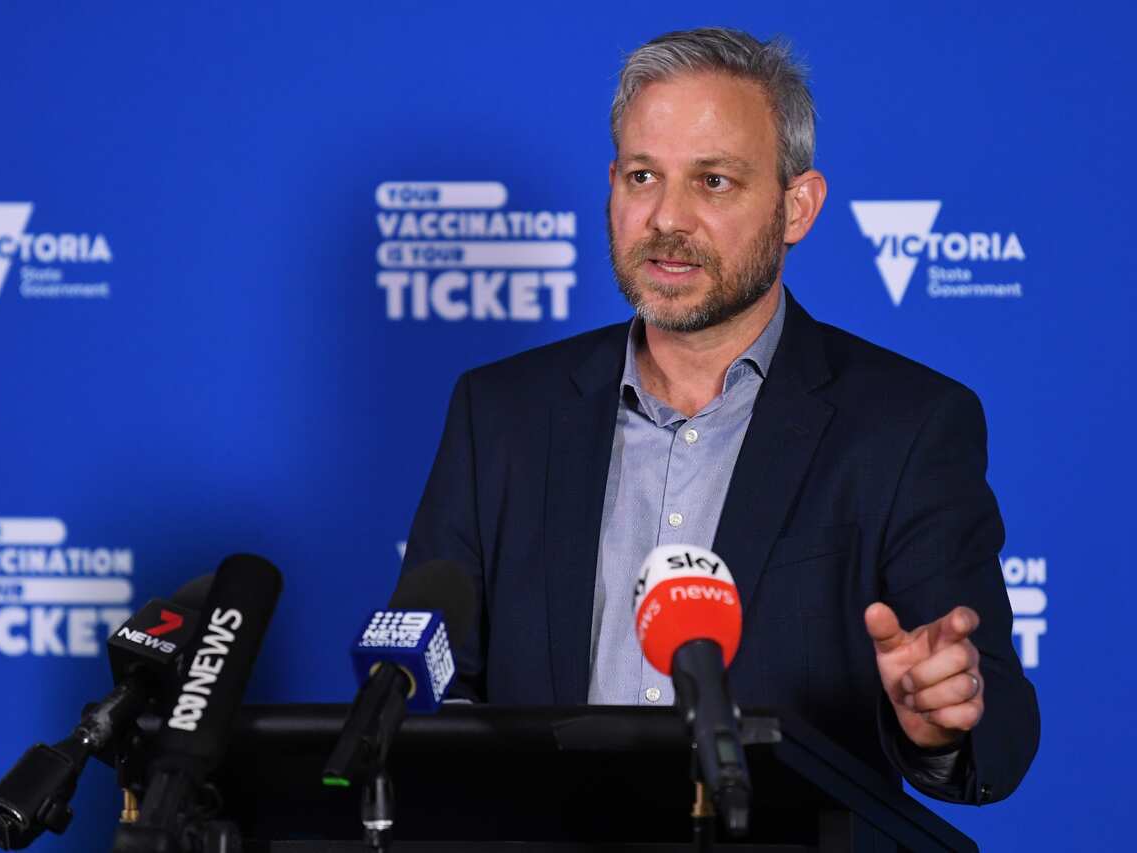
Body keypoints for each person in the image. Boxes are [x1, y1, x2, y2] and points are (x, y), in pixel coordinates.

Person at [402, 27, 1038, 805]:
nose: (667, 217)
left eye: (713, 181)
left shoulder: (907, 426)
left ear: (797, 207)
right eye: (643, 176)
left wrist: (936, 722)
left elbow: (997, 722)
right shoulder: (499, 414)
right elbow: (428, 684)